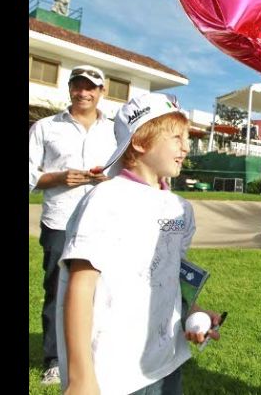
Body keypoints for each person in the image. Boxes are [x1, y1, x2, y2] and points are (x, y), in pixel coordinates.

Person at [55, 93, 222, 394]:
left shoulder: (180, 209)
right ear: (140, 142)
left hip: (165, 362)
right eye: (175, 137)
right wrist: (81, 378)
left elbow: (170, 274)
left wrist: (192, 312)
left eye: (186, 138)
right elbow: (80, 286)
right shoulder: (107, 199)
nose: (186, 147)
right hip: (112, 372)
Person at [28, 64, 116, 385]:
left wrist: (108, 178)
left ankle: (93, 353)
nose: (83, 92)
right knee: (56, 291)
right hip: (60, 221)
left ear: (101, 92)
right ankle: (53, 359)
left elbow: (125, 170)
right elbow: (31, 176)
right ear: (69, 89)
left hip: (103, 222)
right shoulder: (45, 128)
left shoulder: (115, 130)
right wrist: (61, 177)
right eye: (77, 86)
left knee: (101, 291)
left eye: (90, 87)